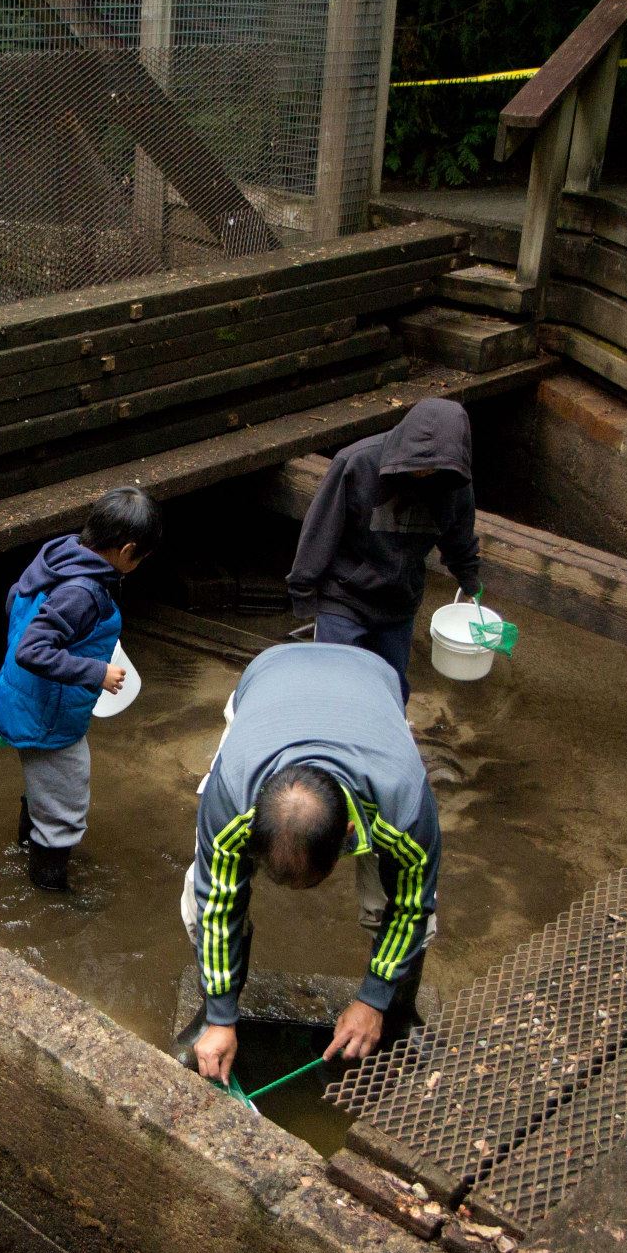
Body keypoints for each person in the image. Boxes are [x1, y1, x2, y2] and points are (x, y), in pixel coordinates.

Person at [180, 642, 441, 1083]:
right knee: (199, 900)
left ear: (348, 836)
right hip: (269, 677)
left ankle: (397, 1015)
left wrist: (373, 999)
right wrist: (223, 1015)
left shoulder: (404, 806)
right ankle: (213, 1016)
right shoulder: (230, 800)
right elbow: (218, 904)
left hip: (372, 683)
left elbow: (413, 905)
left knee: (396, 902)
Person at [0, 486, 163, 891]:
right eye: (142, 557)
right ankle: (50, 894)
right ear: (127, 550)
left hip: (21, 699)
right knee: (65, 802)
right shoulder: (82, 593)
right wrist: (95, 671)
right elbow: (32, 649)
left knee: (41, 786)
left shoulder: (59, 554)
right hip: (48, 719)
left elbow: (16, 600)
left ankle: (24, 849)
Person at [285, 397, 481, 700]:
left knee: (390, 690)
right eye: (418, 467)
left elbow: (459, 536)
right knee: (334, 688)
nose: (423, 474)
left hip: (399, 601)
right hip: (345, 594)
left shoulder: (455, 483)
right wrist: (304, 592)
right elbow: (320, 531)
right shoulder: (357, 463)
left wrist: (470, 584)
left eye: (432, 469)